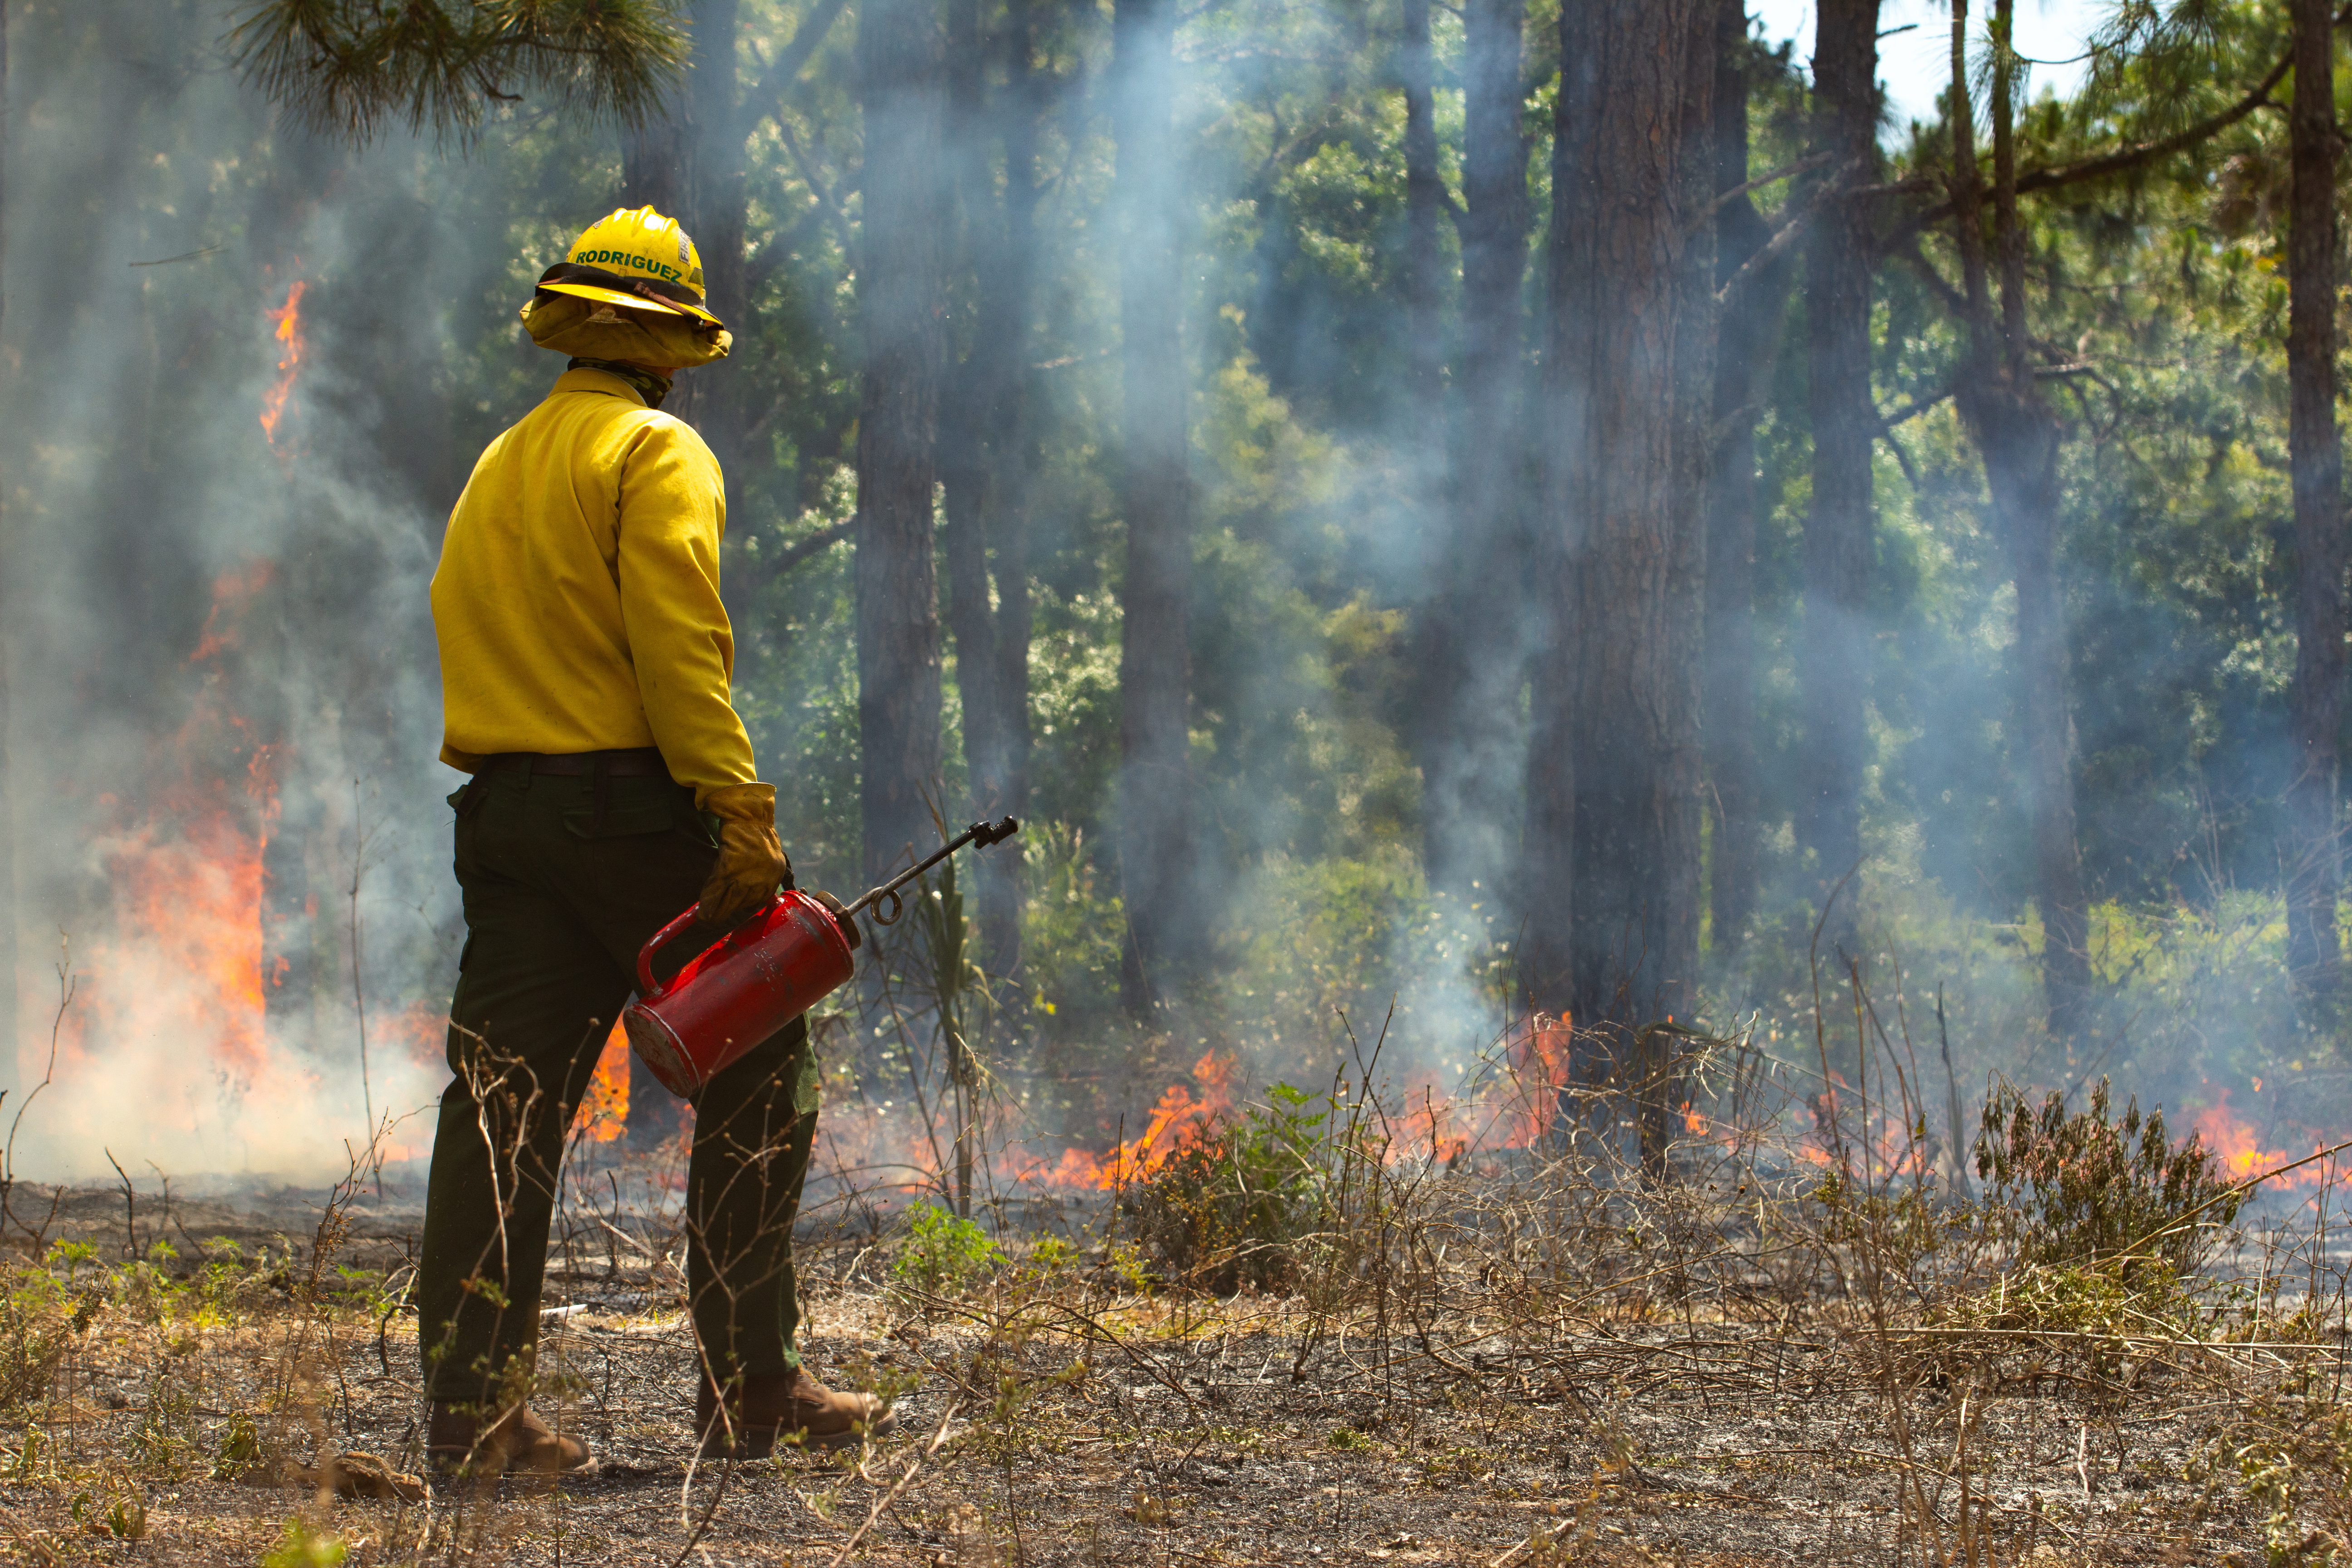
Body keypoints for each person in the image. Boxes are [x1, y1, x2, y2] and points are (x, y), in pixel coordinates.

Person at [417, 206, 888, 1476]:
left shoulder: (502, 461)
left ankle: (472, 1419)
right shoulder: (653, 449)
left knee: (502, 1109)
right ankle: (752, 1388)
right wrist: (736, 809)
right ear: (671, 343)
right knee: (759, 1062)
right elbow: (681, 647)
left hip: (504, 815)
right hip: (630, 809)